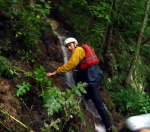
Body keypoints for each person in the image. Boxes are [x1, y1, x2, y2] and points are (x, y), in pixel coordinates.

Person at [47, 37, 112, 132]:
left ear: (75, 44)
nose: (69, 48)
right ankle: (87, 97)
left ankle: (108, 127)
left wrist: (56, 72)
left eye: (70, 45)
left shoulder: (78, 50)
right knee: (79, 79)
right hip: (94, 75)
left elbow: (71, 64)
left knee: (99, 105)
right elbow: (80, 63)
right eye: (67, 47)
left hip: (92, 78)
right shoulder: (80, 51)